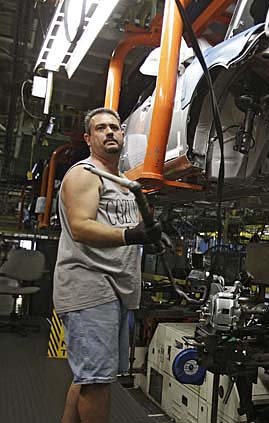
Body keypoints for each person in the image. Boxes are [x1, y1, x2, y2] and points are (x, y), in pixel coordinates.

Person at [54, 107, 162, 423]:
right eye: (100, 128)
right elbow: (81, 227)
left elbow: (132, 227)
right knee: (96, 382)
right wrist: (132, 235)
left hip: (114, 290)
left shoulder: (123, 182)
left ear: (123, 134)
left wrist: (152, 234)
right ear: (88, 138)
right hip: (90, 287)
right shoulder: (85, 174)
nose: (109, 132)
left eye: (114, 127)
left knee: (91, 376)